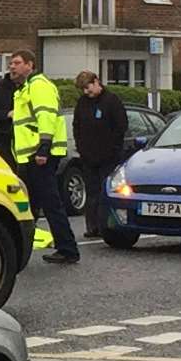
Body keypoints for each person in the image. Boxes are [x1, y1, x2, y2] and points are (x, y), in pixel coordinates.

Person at [9, 49, 79, 265]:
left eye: (17, 63)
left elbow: (46, 117)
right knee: (32, 206)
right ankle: (24, 252)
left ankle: (67, 249)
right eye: (11, 63)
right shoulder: (26, 88)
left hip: (39, 156)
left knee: (48, 203)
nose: (12, 66)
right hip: (30, 156)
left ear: (30, 65)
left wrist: (43, 149)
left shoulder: (39, 86)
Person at [71, 70, 127, 238]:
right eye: (83, 90)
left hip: (108, 157)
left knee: (106, 192)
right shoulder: (82, 103)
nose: (86, 92)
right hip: (88, 157)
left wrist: (113, 150)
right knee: (92, 193)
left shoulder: (111, 101)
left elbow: (121, 126)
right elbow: (77, 126)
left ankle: (106, 226)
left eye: (88, 88)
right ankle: (92, 226)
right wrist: (81, 148)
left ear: (97, 82)